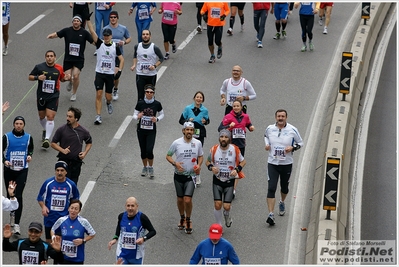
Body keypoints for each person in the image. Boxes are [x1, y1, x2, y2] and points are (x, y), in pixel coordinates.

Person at [264, 109, 304, 225]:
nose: (280, 118)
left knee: (284, 187)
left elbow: (300, 143)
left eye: (282, 116)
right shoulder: (270, 128)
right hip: (272, 162)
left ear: (286, 117)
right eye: (278, 116)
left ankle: (282, 201)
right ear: (275, 117)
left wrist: (292, 148)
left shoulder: (292, 130)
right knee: (271, 188)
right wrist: (267, 144)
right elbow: (265, 136)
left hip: (286, 163)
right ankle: (271, 214)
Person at [166, 122, 204, 234]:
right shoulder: (176, 143)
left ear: (193, 132)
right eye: (187, 130)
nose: (189, 132)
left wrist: (199, 165)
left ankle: (188, 219)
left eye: (191, 130)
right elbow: (168, 156)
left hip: (191, 176)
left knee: (187, 199)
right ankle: (182, 217)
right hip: (178, 175)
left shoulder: (197, 143)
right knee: (180, 199)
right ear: (183, 131)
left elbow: (200, 156)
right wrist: (175, 163)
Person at [29, 50, 71, 148]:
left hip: (53, 95)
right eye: (47, 56)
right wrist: (37, 77)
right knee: (41, 117)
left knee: (50, 117)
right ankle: (46, 129)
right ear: (45, 58)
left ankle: (47, 139)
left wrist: (67, 78)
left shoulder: (59, 68)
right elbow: (30, 77)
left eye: (51, 56)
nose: (49, 58)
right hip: (41, 95)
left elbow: (62, 78)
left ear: (55, 57)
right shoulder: (39, 67)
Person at [47, 14, 94, 101]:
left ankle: (74, 93)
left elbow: (93, 42)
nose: (76, 22)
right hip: (68, 59)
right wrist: (51, 36)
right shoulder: (67, 30)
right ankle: (71, 82)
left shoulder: (84, 33)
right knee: (67, 77)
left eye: (77, 21)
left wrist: (101, 45)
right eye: (74, 21)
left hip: (79, 59)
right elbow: (57, 34)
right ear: (72, 22)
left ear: (80, 23)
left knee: (75, 76)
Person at [87, 16, 124, 125]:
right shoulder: (99, 44)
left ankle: (108, 102)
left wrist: (120, 70)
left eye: (108, 36)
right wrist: (88, 20)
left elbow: (121, 59)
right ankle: (98, 116)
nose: (106, 37)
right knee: (98, 94)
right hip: (99, 73)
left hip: (109, 74)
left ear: (111, 36)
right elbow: (92, 32)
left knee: (108, 96)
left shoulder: (115, 47)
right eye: (105, 36)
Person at [206, 130, 246, 227]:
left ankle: (227, 215)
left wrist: (237, 169)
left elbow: (243, 161)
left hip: (229, 181)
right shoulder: (214, 149)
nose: (223, 139)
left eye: (226, 137)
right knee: (218, 204)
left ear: (229, 139)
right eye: (222, 137)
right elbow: (207, 162)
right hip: (217, 180)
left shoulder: (235, 149)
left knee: (226, 206)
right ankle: (219, 225)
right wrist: (211, 167)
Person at [2, 116, 34, 235]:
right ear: (14, 124)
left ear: (24, 125)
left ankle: (16, 225)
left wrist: (30, 156)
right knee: (10, 194)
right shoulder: (6, 137)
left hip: (22, 170)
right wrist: (4, 160)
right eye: (16, 123)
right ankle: (12, 213)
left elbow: (30, 149)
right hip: (9, 170)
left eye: (21, 123)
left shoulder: (28, 137)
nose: (19, 125)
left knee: (19, 196)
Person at [37, 161, 80, 245]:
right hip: (50, 217)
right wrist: (43, 207)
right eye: (57, 170)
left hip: (64, 218)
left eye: (62, 170)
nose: (59, 173)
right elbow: (39, 197)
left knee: (60, 241)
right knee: (49, 241)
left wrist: (73, 211)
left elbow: (76, 199)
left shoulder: (71, 185)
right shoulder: (48, 183)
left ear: (66, 172)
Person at [218, 100, 254, 199]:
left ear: (241, 107)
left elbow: (248, 124)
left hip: (241, 144)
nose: (236, 107)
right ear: (232, 107)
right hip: (230, 145)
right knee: (228, 164)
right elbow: (220, 128)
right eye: (234, 106)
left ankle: (233, 189)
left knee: (237, 166)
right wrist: (229, 126)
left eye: (238, 106)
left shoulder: (245, 116)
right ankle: (224, 183)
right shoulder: (228, 117)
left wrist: (250, 127)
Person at [51, 106, 92, 186]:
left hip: (76, 162)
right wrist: (62, 150)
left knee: (73, 185)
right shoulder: (61, 129)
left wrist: (84, 153)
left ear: (76, 118)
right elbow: (53, 143)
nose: (67, 118)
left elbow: (89, 142)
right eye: (67, 116)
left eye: (70, 117)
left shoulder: (83, 131)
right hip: (63, 161)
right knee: (63, 183)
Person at [108, 197, 156, 265]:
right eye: (128, 205)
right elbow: (119, 227)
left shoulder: (142, 218)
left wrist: (143, 238)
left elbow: (153, 231)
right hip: (122, 254)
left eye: (132, 206)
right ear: (125, 206)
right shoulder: (121, 216)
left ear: (137, 206)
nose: (130, 208)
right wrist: (115, 238)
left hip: (137, 256)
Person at [133, 84, 164, 178]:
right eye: (147, 92)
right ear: (145, 93)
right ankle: (145, 167)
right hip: (141, 130)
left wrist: (157, 119)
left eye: (151, 92)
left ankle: (151, 167)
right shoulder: (140, 103)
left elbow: (162, 114)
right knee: (143, 150)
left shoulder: (157, 104)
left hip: (151, 130)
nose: (149, 94)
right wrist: (137, 117)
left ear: (153, 93)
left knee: (149, 150)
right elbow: (134, 115)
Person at [178, 91, 210, 185]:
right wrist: (188, 120)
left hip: (200, 133)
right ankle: (187, 172)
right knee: (189, 153)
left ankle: (197, 174)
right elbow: (181, 121)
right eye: (197, 97)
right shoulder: (188, 108)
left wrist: (205, 122)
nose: (199, 99)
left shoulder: (205, 110)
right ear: (194, 98)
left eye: (201, 97)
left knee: (197, 154)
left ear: (202, 100)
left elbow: (208, 121)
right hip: (189, 133)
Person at [51, 199, 96, 264]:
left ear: (79, 210)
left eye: (76, 209)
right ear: (68, 208)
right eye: (72, 208)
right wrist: (53, 239)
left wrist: (83, 240)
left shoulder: (83, 222)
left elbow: (92, 234)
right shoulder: (61, 220)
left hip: (77, 259)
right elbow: (52, 230)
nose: (73, 211)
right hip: (63, 257)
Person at [103, 10, 132, 101]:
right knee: (108, 75)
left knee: (116, 75)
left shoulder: (123, 28)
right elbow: (100, 40)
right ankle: (109, 91)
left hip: (118, 55)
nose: (113, 19)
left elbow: (129, 38)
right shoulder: (105, 29)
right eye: (111, 17)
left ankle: (115, 89)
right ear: (109, 19)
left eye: (114, 17)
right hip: (107, 55)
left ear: (117, 18)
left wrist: (124, 42)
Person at [130, 29, 163, 102]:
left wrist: (154, 66)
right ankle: (140, 112)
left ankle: (151, 111)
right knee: (140, 95)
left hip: (151, 75)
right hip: (140, 74)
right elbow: (135, 56)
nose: (145, 36)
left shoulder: (154, 47)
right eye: (143, 34)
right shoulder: (137, 46)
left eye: (147, 34)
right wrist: (134, 65)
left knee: (150, 95)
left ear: (150, 36)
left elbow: (161, 58)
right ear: (141, 36)